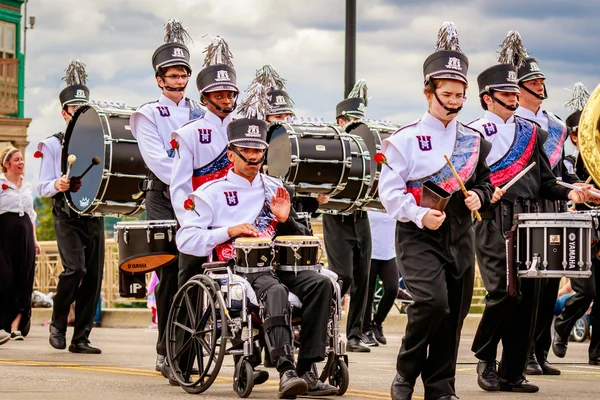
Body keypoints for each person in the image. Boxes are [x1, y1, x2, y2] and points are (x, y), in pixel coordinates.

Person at [467, 32, 590, 393]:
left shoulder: (532, 133)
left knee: (533, 298)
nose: (514, 97)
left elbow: (548, 182)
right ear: (488, 98)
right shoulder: (473, 134)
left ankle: (513, 370)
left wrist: (577, 190)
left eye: (515, 92)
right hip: (494, 221)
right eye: (507, 93)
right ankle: (486, 360)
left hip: (530, 219)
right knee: (505, 293)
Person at [380, 22, 493, 400]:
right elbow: (389, 192)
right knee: (432, 303)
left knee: (454, 314)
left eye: (461, 95)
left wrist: (480, 194)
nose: (456, 101)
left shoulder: (474, 140)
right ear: (428, 92)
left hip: (461, 234)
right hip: (418, 234)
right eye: (447, 94)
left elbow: (485, 182)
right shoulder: (404, 139)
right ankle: (405, 372)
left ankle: (440, 386)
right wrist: (417, 214)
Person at [177, 115, 317, 398]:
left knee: (322, 284)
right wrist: (228, 230)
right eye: (247, 150)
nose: (254, 157)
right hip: (236, 270)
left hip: (280, 265)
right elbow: (186, 240)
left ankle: (307, 368)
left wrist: (285, 219)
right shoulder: (209, 193)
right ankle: (286, 368)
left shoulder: (276, 188)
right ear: (231, 153)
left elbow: (302, 234)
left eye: (259, 151)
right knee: (275, 290)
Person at [129, 19, 204, 374]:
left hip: (194, 197)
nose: (178, 81)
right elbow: (158, 161)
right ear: (159, 79)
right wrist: (188, 181)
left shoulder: (200, 112)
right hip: (162, 195)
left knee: (196, 269)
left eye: (182, 74)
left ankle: (189, 344)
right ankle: (165, 349)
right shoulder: (147, 113)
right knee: (170, 271)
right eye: (171, 75)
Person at [513, 38, 573, 376]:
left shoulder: (558, 126)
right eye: (533, 82)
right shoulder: (513, 123)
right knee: (528, 285)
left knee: (550, 283)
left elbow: (559, 168)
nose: (540, 86)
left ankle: (540, 351)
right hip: (526, 205)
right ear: (519, 89)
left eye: (541, 81)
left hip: (553, 203)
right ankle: (523, 355)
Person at [37, 60, 104, 354]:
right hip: (66, 215)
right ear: (64, 113)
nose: (78, 113)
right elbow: (42, 186)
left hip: (94, 213)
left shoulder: (100, 141)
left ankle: (81, 338)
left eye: (82, 108)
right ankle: (57, 322)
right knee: (74, 270)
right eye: (74, 109)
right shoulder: (53, 144)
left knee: (93, 277)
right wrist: (59, 185)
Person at [169, 36, 239, 287]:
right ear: (205, 98)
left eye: (230, 94)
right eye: (219, 95)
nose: (226, 100)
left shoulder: (244, 131)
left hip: (237, 213)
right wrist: (192, 223)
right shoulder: (189, 133)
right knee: (189, 274)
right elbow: (180, 186)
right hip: (201, 215)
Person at [552, 82, 600, 366]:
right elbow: (567, 185)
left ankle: (597, 353)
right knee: (587, 290)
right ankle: (562, 326)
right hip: (580, 233)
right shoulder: (569, 162)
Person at [322, 79, 372, 353]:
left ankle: (355, 335)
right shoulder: (333, 145)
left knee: (363, 278)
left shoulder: (367, 149)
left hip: (360, 216)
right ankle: (328, 328)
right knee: (343, 275)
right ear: (341, 120)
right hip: (336, 216)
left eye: (360, 121)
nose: (357, 125)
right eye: (352, 119)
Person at [0, 147, 39, 341]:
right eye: (16, 160)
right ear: (7, 165)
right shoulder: (0, 184)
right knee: (5, 278)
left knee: (23, 280)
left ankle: (15, 327)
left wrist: (35, 240)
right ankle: (2, 322)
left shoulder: (28, 185)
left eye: (22, 159)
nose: (21, 162)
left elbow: (31, 215)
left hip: (24, 238)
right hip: (4, 237)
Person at [362, 211, 403, 347]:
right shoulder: (369, 205)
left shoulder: (394, 202)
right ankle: (366, 330)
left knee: (392, 289)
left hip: (388, 255)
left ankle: (377, 323)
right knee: (368, 294)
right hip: (370, 254)